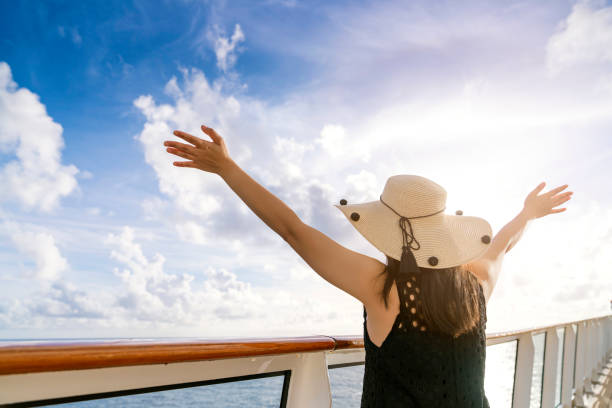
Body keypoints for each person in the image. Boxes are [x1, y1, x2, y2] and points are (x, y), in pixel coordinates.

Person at [163, 125, 573, 407]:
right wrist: (528, 215)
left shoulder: (384, 287)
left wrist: (227, 169)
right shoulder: (478, 283)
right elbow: (502, 245)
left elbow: (293, 230)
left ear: (390, 232)